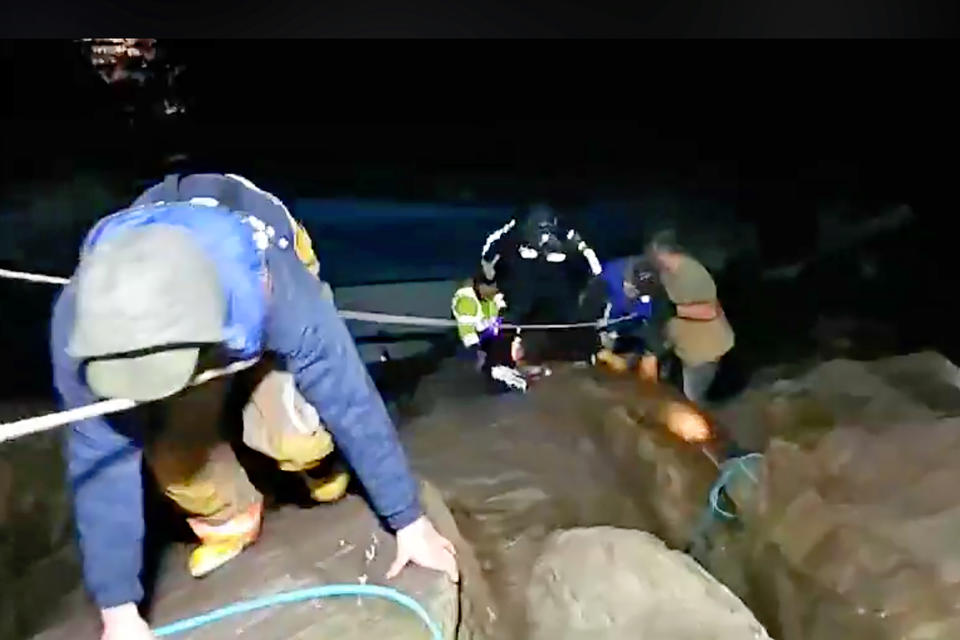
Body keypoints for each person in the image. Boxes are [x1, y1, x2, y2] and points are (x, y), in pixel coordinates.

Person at [51, 173, 458, 640]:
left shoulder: (273, 287)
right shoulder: (78, 328)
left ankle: (319, 464)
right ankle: (231, 517)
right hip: (160, 300)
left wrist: (408, 520)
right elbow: (100, 464)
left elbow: (347, 394)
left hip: (257, 245)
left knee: (300, 435)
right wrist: (119, 613)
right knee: (178, 461)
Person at [479, 203, 603, 365]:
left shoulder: (568, 237)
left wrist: (579, 247)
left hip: (560, 307)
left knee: (578, 332)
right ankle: (499, 363)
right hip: (522, 305)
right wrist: (492, 281)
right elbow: (488, 263)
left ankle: (584, 357)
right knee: (505, 332)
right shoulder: (512, 237)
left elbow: (595, 270)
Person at [644, 230, 735, 404]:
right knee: (676, 392)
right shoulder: (666, 273)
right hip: (683, 347)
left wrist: (673, 310)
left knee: (693, 400)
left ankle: (709, 428)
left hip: (704, 350)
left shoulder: (693, 273)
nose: (650, 257)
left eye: (652, 252)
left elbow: (709, 310)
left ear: (663, 253)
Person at [450, 270, 527, 392]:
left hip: (487, 333)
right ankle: (495, 375)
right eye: (491, 287)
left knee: (505, 335)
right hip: (471, 339)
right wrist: (477, 351)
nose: (495, 290)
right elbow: (467, 331)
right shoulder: (467, 300)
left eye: (495, 287)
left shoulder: (490, 297)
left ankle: (503, 372)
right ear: (480, 286)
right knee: (492, 351)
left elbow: (499, 315)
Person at [590, 255, 661, 375]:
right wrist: (604, 331)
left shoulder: (652, 291)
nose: (632, 294)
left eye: (637, 292)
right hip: (609, 315)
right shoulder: (608, 277)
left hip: (632, 325)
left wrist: (647, 351)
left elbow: (650, 321)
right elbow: (592, 305)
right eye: (630, 288)